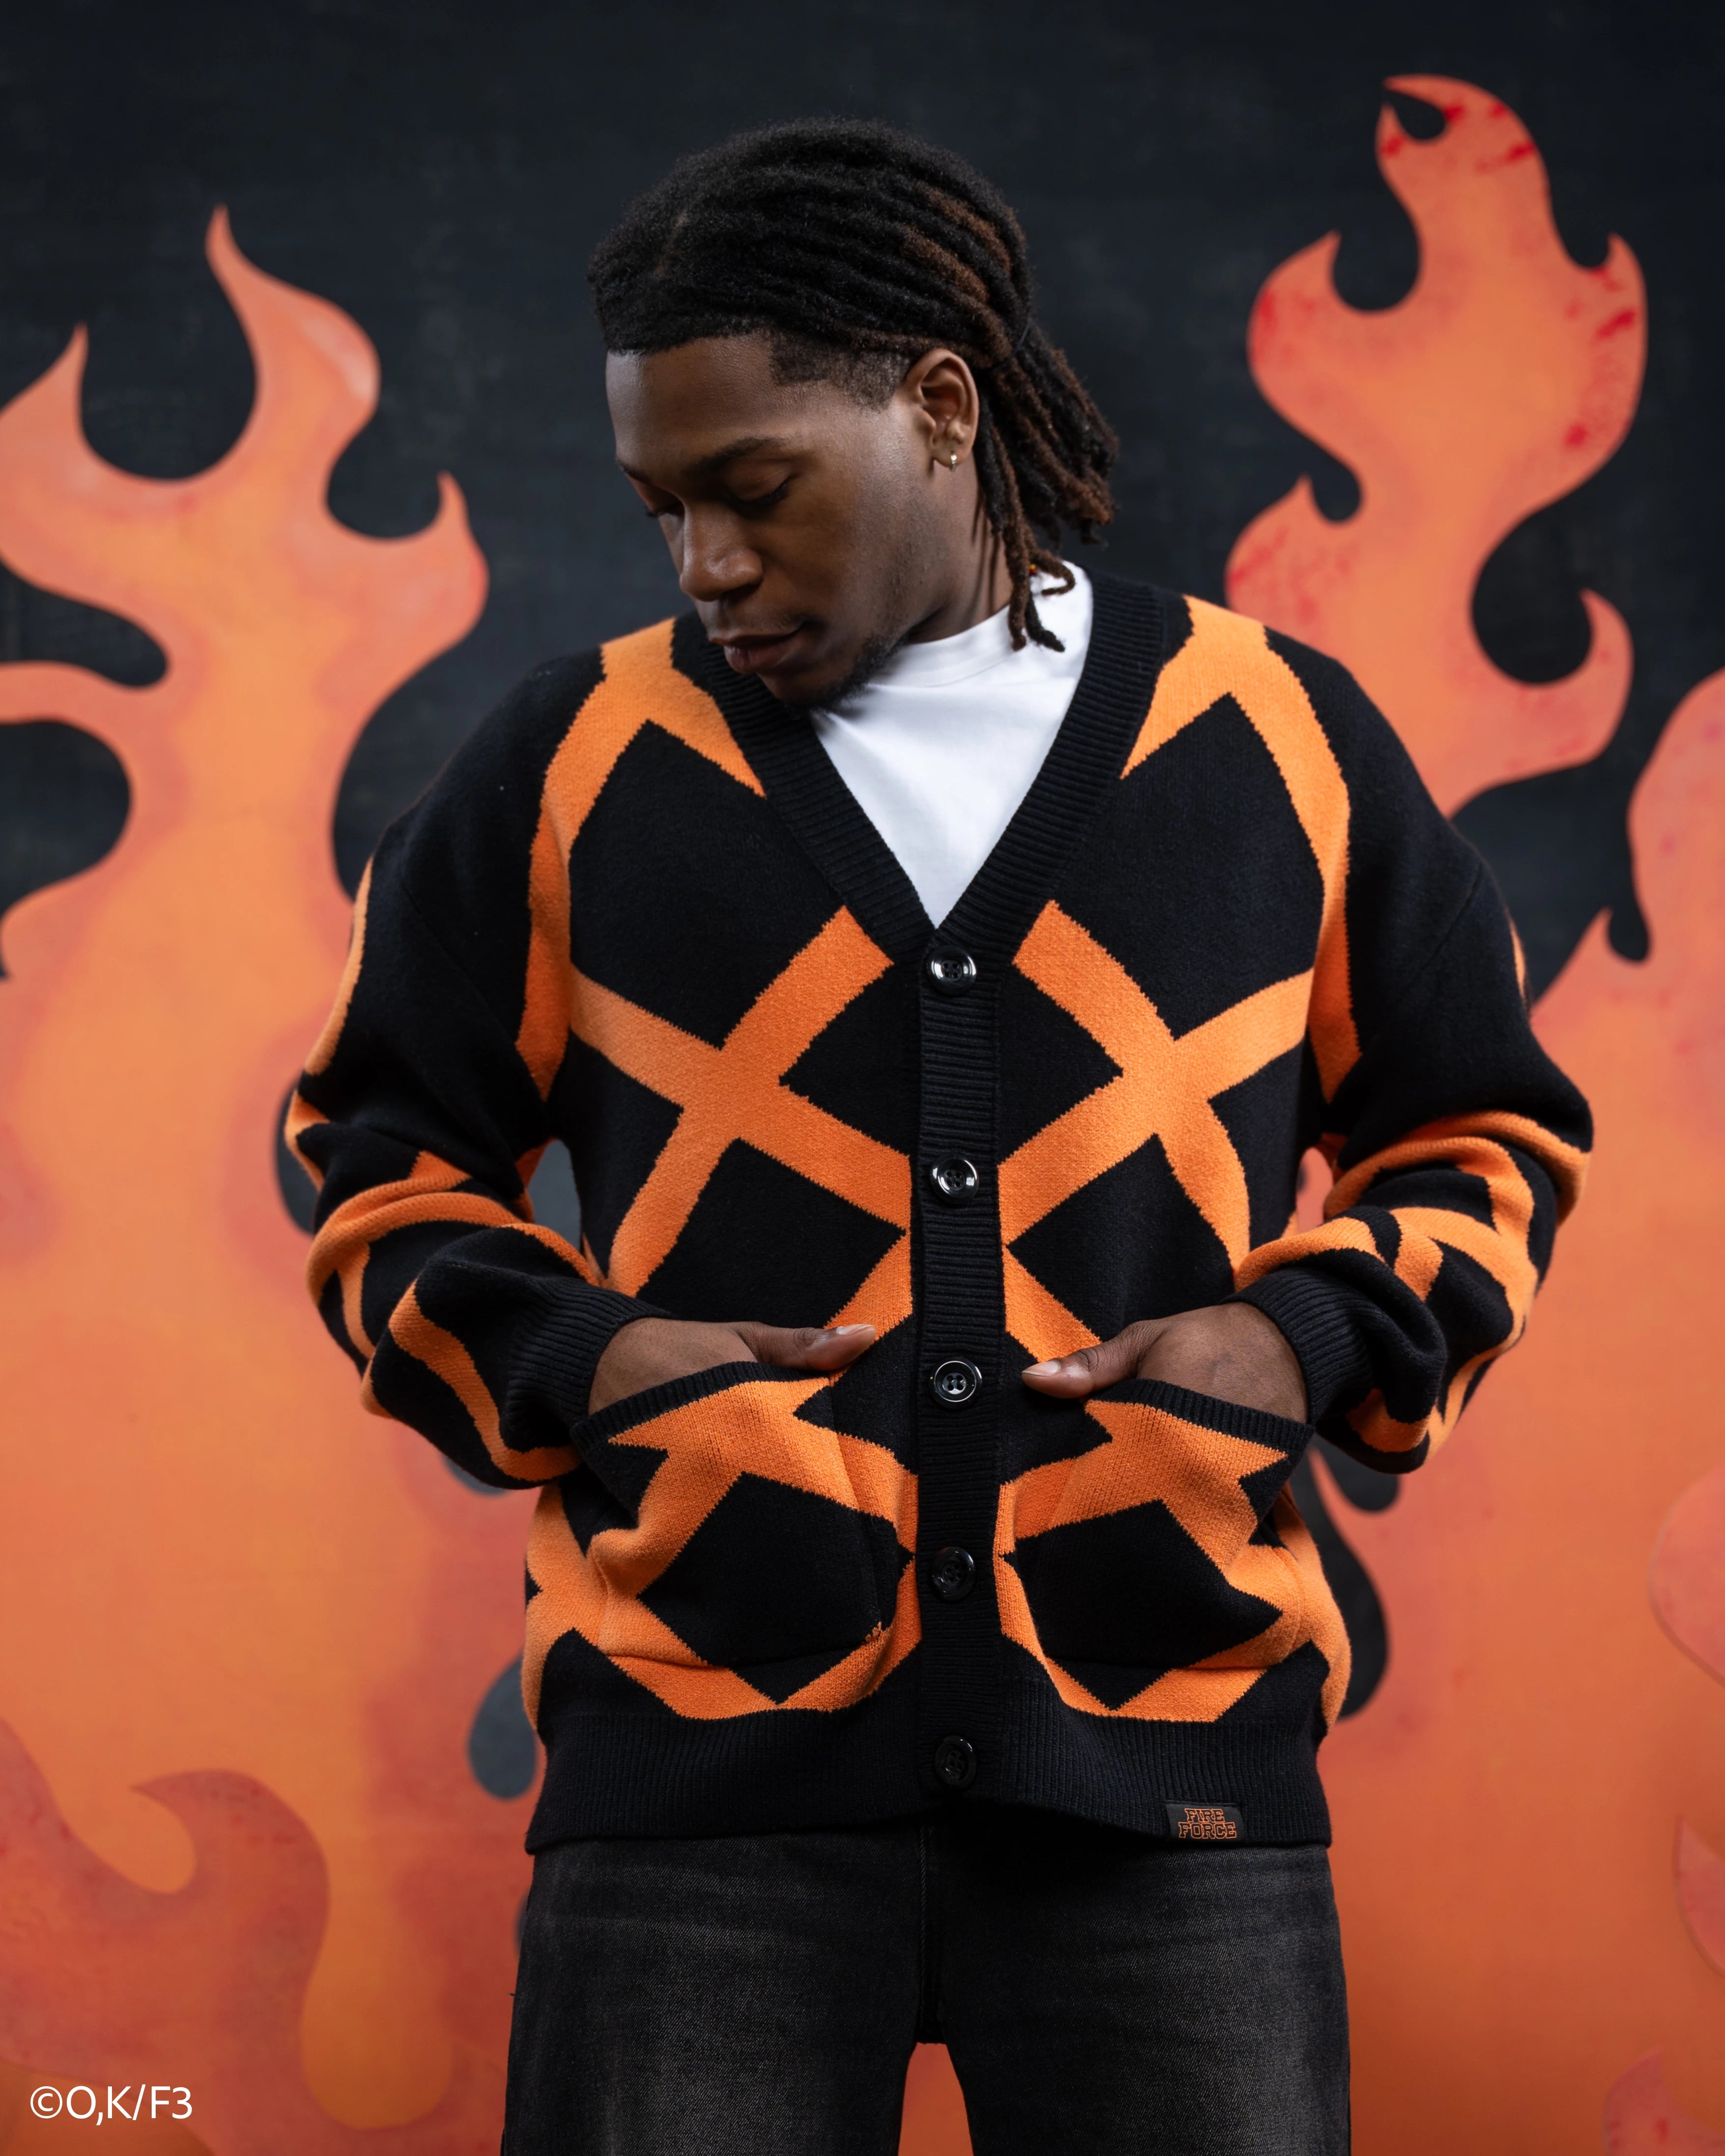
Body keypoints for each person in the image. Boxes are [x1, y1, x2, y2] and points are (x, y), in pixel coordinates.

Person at [289, 119, 1588, 2156]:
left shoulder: (1271, 742)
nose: (706, 564)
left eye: (754, 490)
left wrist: (1305, 1339)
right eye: (661, 509)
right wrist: (589, 1364)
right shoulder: (576, 761)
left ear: (941, 406)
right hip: (697, 1801)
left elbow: (1481, 1127)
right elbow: (375, 1154)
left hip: (1171, 1790)